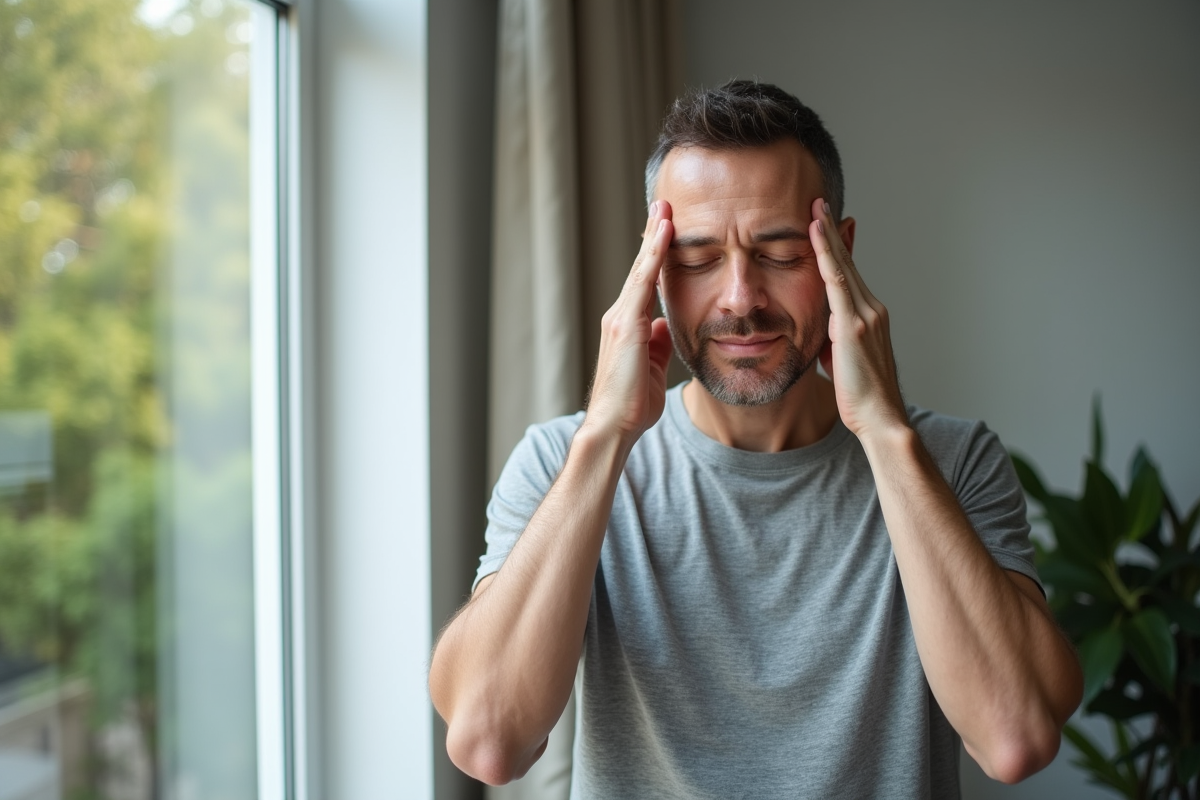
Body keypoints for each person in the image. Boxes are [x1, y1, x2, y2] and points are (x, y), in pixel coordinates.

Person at [429, 80, 1082, 799]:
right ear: (654, 271)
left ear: (842, 254)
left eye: (778, 253)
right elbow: (489, 740)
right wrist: (605, 438)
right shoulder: (561, 461)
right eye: (700, 258)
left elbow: (1016, 737)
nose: (740, 298)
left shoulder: (952, 462)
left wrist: (886, 432)